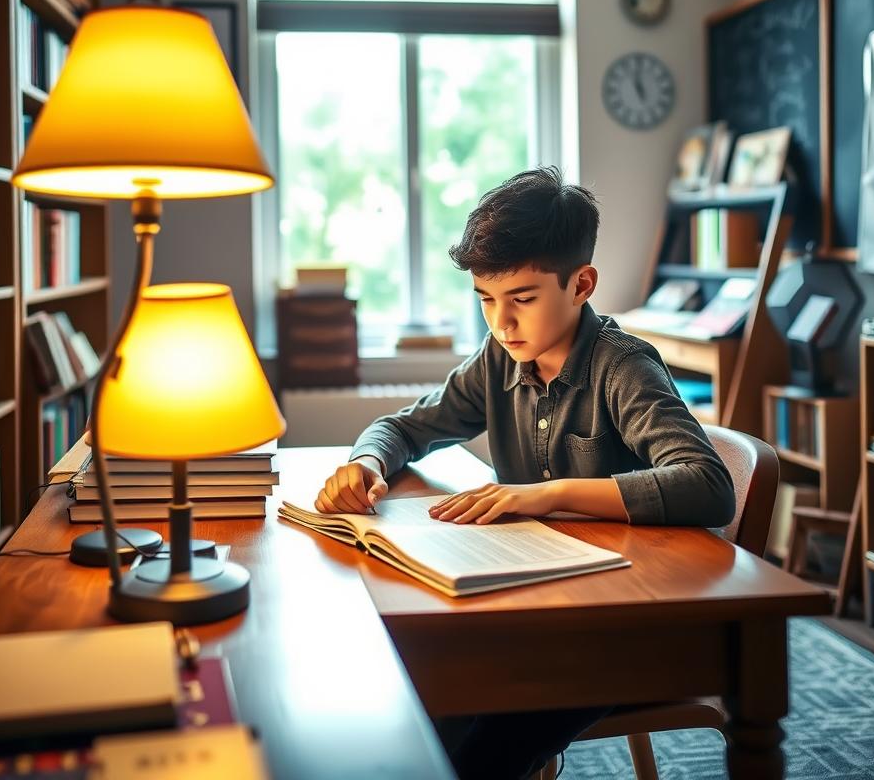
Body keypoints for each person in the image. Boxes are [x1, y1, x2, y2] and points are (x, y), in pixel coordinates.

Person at [315, 166, 736, 780]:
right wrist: (365, 462)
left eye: (522, 299)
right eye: (486, 299)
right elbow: (404, 426)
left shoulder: (623, 367)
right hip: (535, 610)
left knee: (477, 747)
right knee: (418, 701)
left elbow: (708, 483)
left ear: (582, 284)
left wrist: (544, 496)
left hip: (623, 627)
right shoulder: (498, 359)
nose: (500, 323)